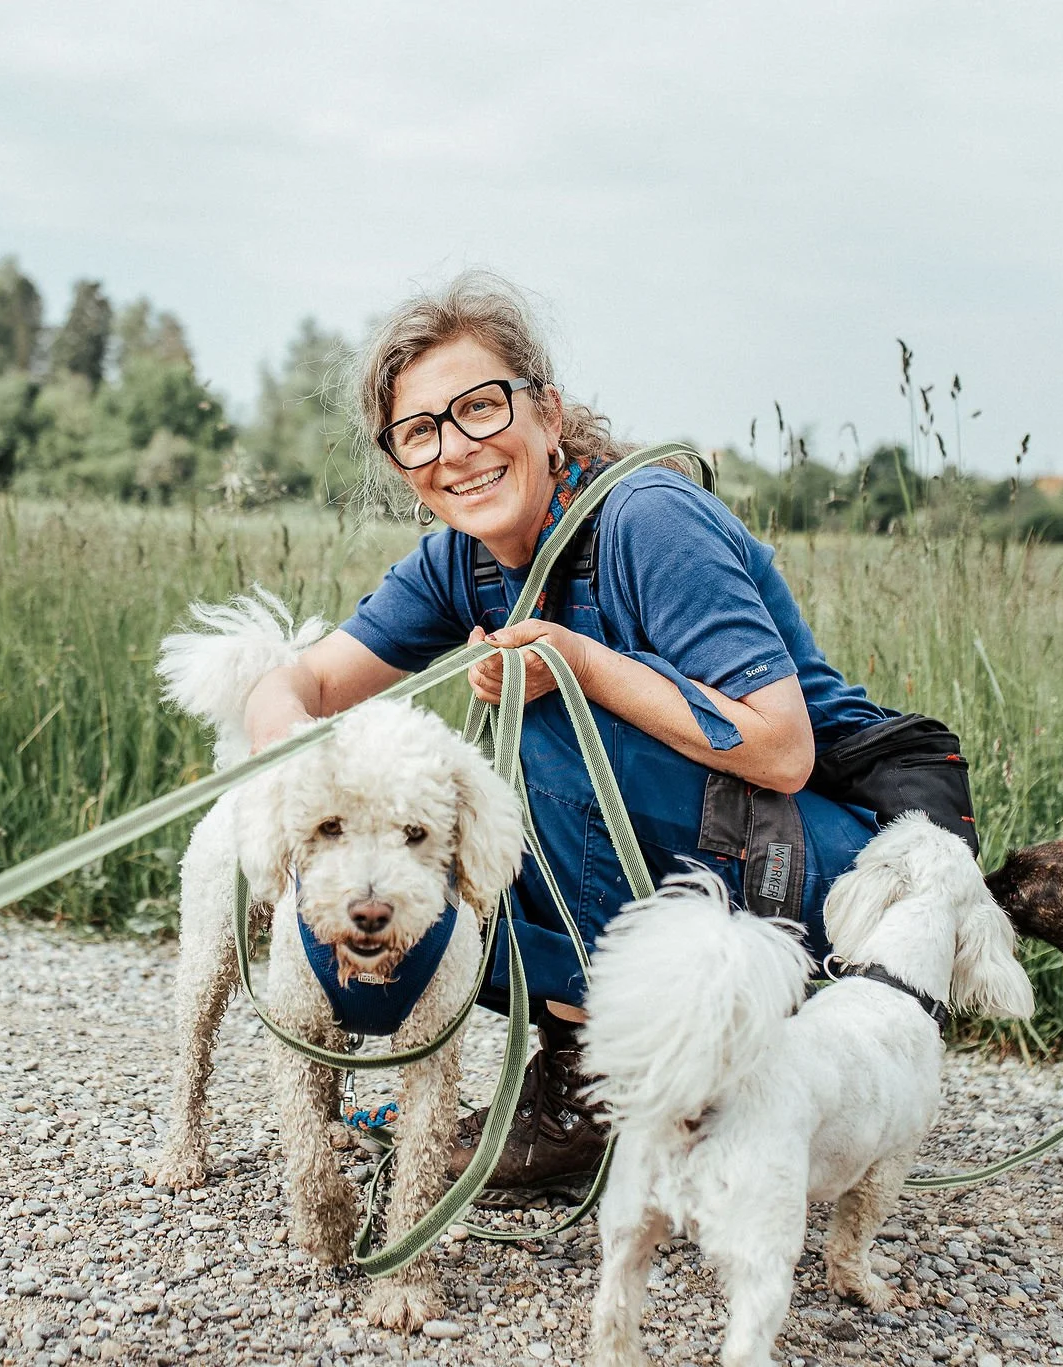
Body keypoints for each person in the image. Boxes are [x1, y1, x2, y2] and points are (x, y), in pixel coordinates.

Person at [241, 273, 899, 1189]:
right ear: (401, 464)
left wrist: (576, 664)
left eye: (479, 407)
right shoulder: (457, 562)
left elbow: (783, 749)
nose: (457, 449)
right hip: (695, 860)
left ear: (548, 413)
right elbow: (303, 679)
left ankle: (594, 1091)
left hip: (818, 866)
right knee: (430, 842)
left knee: (528, 722)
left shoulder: (648, 521)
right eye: (421, 431)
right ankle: (629, 1066)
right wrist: (292, 758)